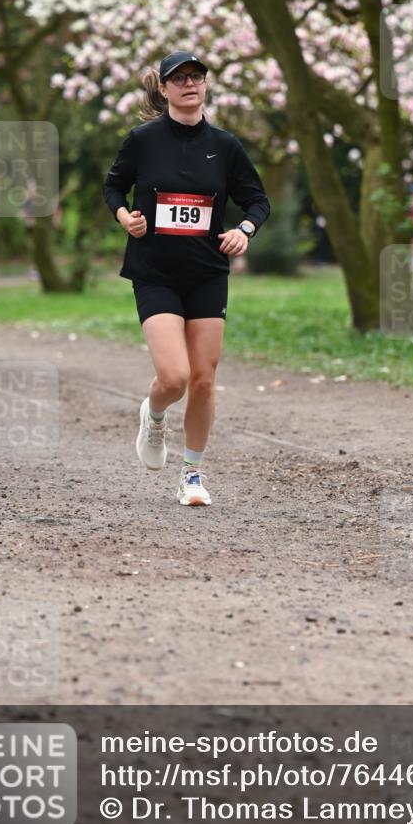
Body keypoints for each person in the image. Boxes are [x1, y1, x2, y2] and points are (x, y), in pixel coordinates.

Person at [103, 51, 270, 506]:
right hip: (154, 272)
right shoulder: (143, 140)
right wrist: (125, 218)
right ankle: (154, 415)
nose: (189, 84)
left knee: (202, 380)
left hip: (206, 273)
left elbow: (257, 201)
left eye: (197, 77)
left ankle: (192, 475)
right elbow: (113, 185)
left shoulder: (226, 145)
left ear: (205, 85)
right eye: (180, 79)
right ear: (163, 89)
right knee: (174, 377)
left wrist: (244, 230)